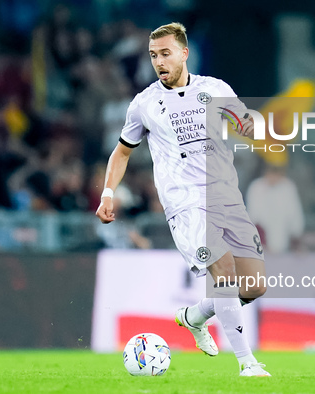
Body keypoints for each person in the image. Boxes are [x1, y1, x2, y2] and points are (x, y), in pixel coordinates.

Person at [96, 22, 270, 377]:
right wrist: (108, 191)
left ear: (184, 53)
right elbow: (122, 153)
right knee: (222, 273)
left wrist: (252, 123)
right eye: (153, 56)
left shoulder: (215, 89)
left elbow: (243, 119)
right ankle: (247, 364)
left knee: (254, 286)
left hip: (226, 196)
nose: (159, 62)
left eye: (165, 54)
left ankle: (194, 316)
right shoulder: (144, 104)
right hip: (185, 202)